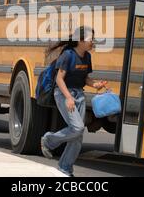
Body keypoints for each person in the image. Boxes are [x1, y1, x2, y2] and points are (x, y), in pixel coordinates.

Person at [40, 26, 108, 177]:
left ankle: (65, 168)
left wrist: (95, 84)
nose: (93, 42)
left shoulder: (87, 57)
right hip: (64, 94)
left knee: (77, 137)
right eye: (91, 39)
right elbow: (59, 79)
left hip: (79, 94)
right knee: (77, 128)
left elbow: (85, 78)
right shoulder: (68, 55)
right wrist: (69, 98)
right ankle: (48, 140)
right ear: (81, 40)